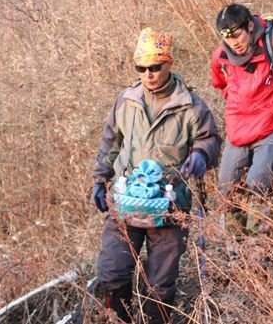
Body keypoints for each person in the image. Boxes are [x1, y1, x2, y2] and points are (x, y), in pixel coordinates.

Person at [91, 27, 221, 323]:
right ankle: (118, 319)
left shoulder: (190, 104)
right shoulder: (126, 100)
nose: (148, 74)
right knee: (112, 274)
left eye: (155, 67)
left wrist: (201, 154)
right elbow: (110, 141)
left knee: (160, 287)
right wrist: (99, 180)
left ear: (169, 63)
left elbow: (210, 139)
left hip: (170, 204)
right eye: (142, 67)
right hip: (125, 201)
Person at [211, 4, 273, 234]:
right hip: (238, 129)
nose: (234, 42)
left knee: (258, 184)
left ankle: (259, 248)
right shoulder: (220, 56)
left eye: (238, 35)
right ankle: (235, 243)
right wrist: (238, 102)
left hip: (271, 126)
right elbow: (220, 82)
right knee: (227, 189)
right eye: (228, 38)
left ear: (249, 26)